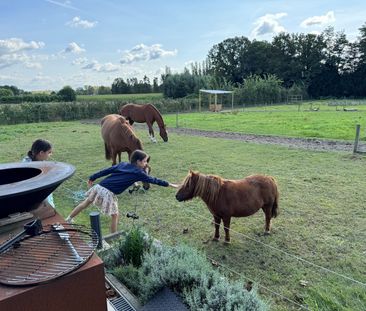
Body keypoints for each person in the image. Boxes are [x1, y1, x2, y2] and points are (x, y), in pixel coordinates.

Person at [66, 149, 178, 233]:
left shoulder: (123, 164)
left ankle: (69, 218)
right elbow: (154, 180)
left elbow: (107, 170)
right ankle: (112, 237)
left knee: (85, 204)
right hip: (108, 192)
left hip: (100, 186)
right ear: (138, 162)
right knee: (115, 215)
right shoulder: (139, 173)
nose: (146, 164)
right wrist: (170, 184)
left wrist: (93, 177)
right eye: (144, 161)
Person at [23, 139, 55, 208]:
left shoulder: (36, 161)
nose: (50, 155)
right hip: (36, 201)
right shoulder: (29, 167)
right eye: (49, 152)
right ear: (41, 153)